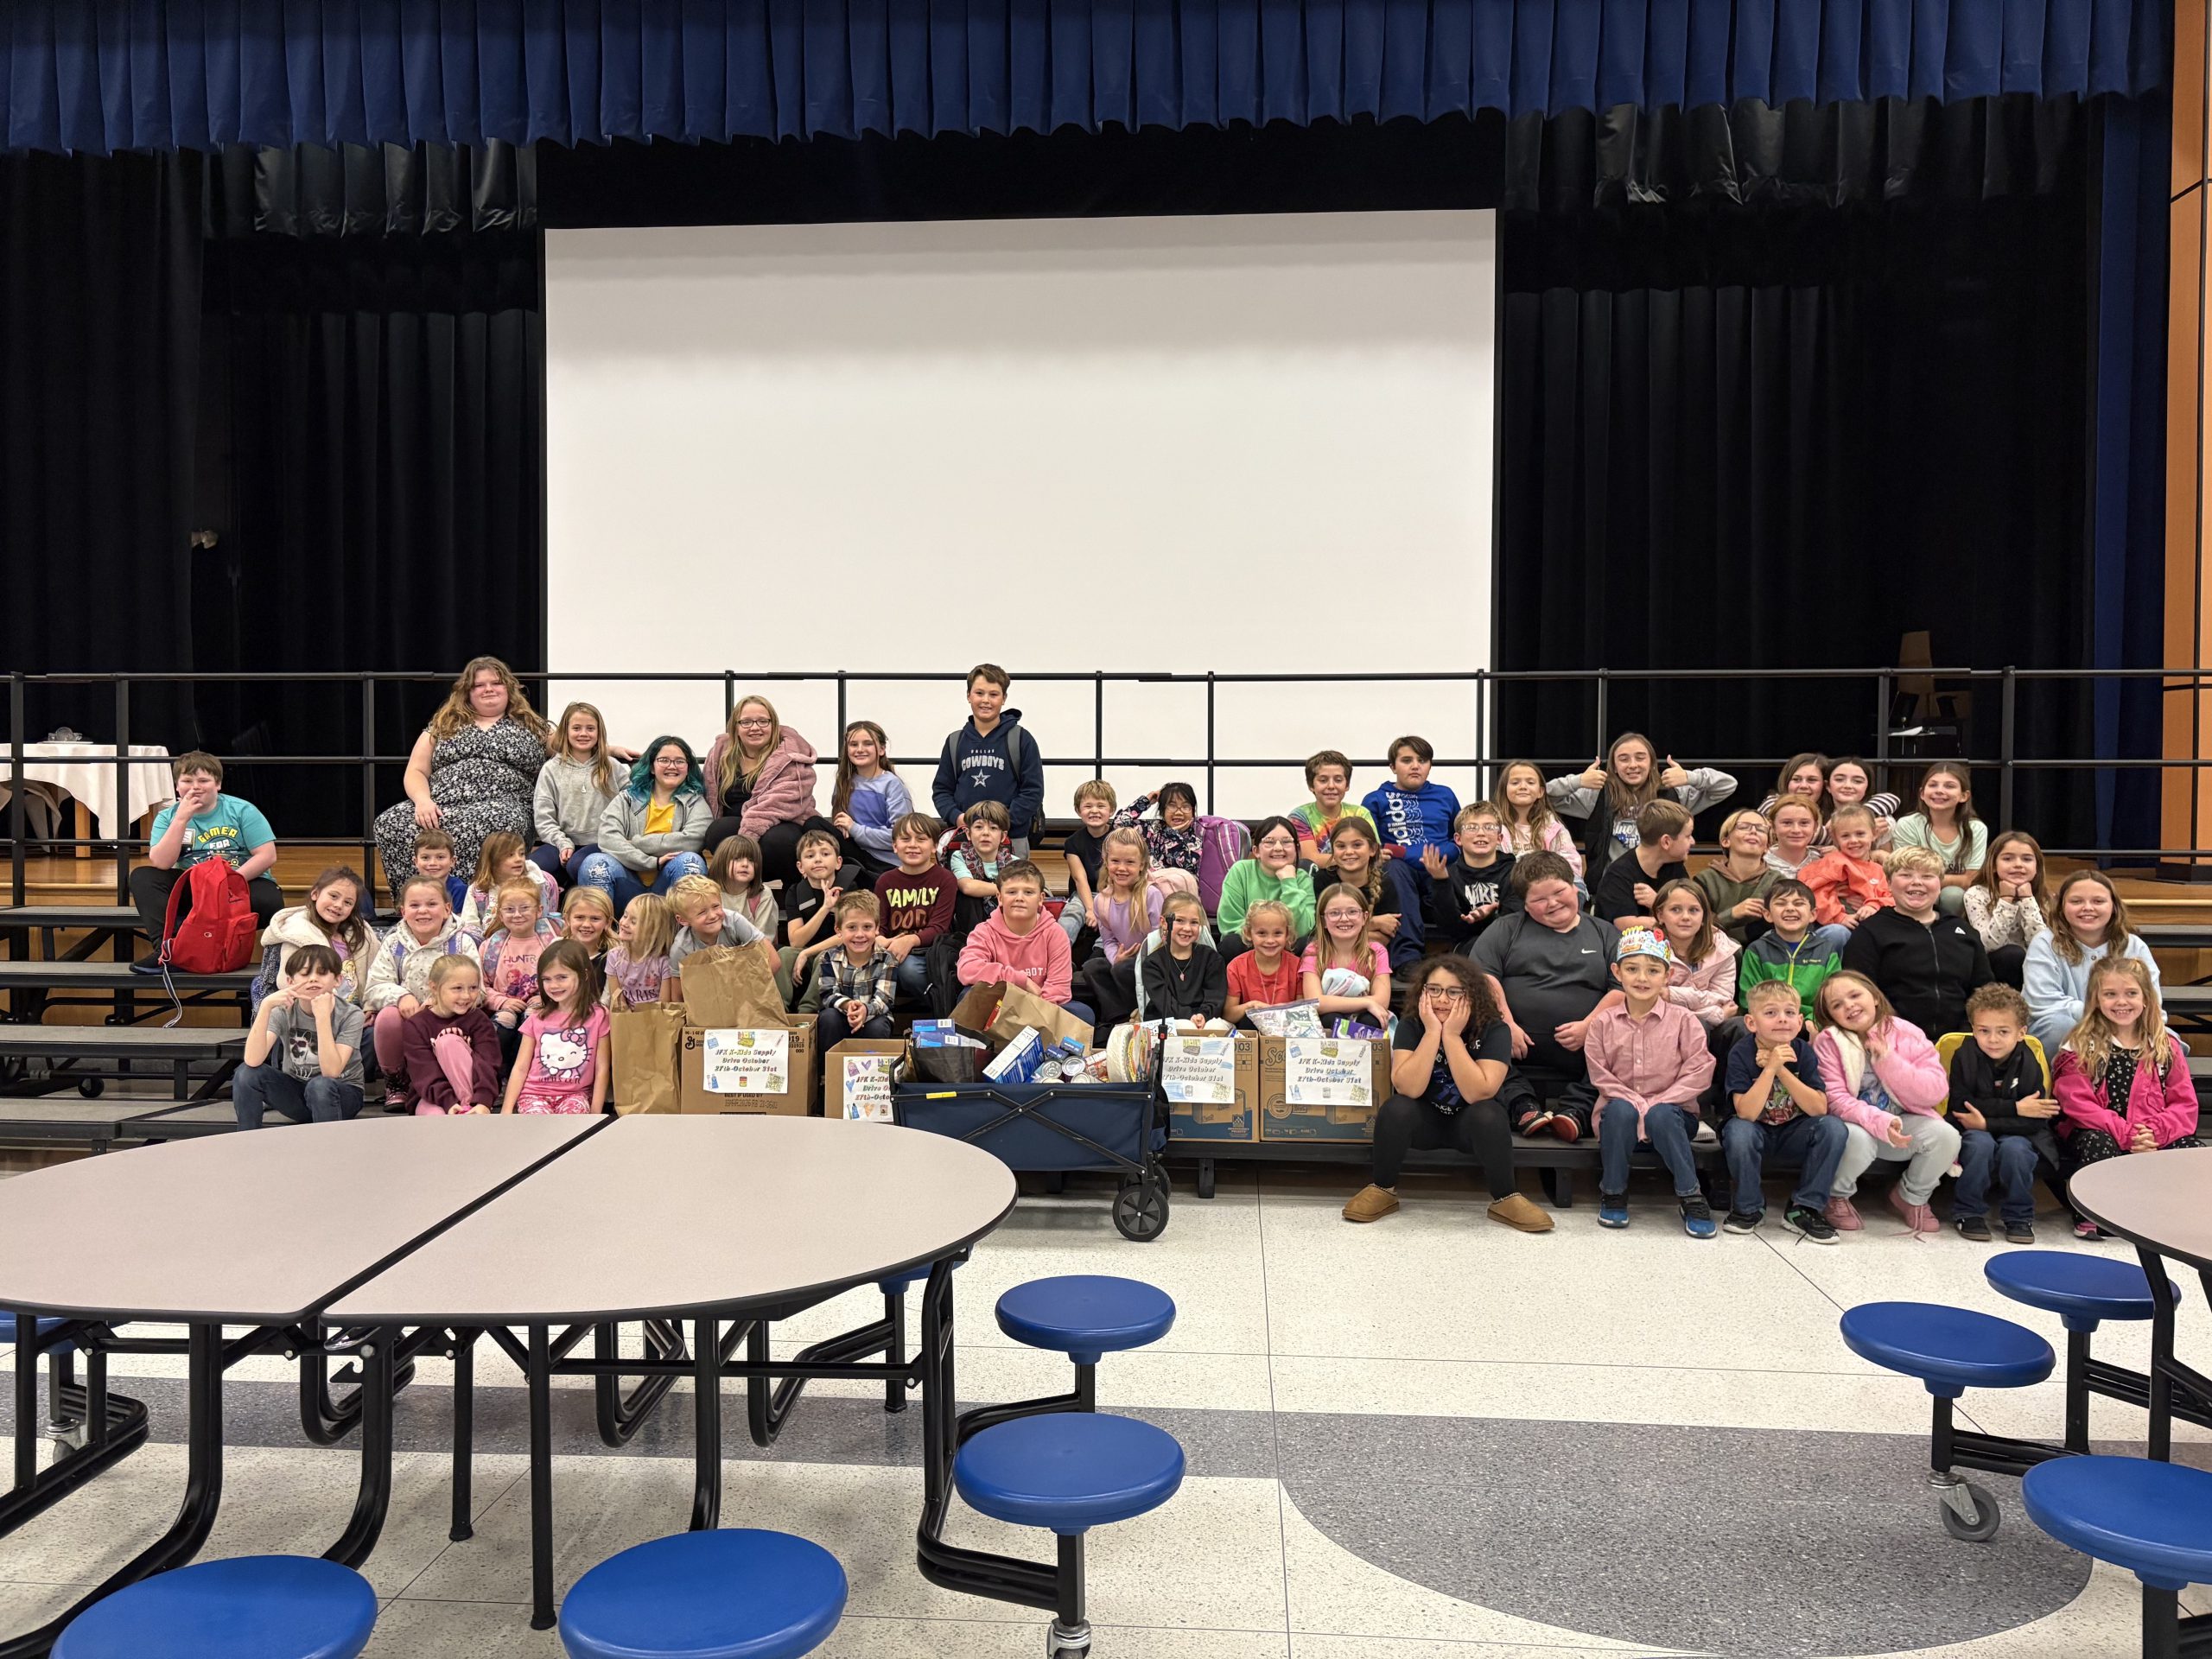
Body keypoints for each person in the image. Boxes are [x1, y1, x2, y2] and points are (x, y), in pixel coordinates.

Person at [1341, 957, 1551, 1233]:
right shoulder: (1413, 1024)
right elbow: (1407, 1086)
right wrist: (1432, 1034)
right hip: (1424, 1121)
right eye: (1434, 989)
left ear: (1471, 994)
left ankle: (1506, 1197)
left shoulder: (1494, 1029)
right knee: (1396, 1108)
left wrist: (1451, 1037)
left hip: (1470, 1125)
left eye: (1454, 992)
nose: (1442, 999)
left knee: (1488, 1113)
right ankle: (1382, 1188)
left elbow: (1480, 1091)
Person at [374, 656, 553, 902]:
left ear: (509, 688)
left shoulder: (532, 725)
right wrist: (423, 801)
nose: (488, 689)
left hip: (502, 803)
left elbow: (573, 744)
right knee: (390, 823)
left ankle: (479, 903)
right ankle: (417, 902)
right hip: (441, 803)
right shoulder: (443, 724)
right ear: (467, 692)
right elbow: (416, 770)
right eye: (479, 685)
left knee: (500, 821)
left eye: (496, 683)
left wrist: (610, 749)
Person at [1468, 852, 1620, 1141]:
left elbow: (1622, 986)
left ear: (1575, 888)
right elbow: (1483, 978)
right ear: (1525, 905)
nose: (1552, 903)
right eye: (1539, 900)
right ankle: (1522, 1106)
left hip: (1590, 1043)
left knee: (1628, 1032)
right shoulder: (1506, 929)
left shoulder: (1604, 933)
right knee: (1468, 1030)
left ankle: (1576, 1111)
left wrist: (1591, 1025)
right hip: (1514, 1043)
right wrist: (1506, 1026)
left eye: (1559, 892)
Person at [2054, 959, 2207, 1227]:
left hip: (2151, 1132)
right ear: (2096, 999)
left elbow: (2184, 1105)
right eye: (2110, 994)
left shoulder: (2165, 1045)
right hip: (2099, 1130)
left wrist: (2155, 1133)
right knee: (2098, 1144)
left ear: (2146, 998)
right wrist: (2126, 1134)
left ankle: (2171, 1218)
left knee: (2192, 1150)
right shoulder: (2079, 1043)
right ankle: (2095, 1217)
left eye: (2131, 993)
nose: (2121, 1002)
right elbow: (2077, 1103)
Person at [1585, 930, 1717, 1236]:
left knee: (1660, 1115)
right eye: (1632, 969)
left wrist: (1657, 1102)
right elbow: (1600, 1075)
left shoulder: (1685, 1020)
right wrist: (1638, 1104)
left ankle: (1690, 1195)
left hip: (1674, 1114)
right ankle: (1614, 1191)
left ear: (1667, 976)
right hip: (1621, 1112)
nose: (1642, 978)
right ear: (1617, 973)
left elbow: (1700, 1069)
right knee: (1620, 1112)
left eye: (1653, 970)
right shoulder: (1602, 1024)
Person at [1811, 969, 1957, 1235]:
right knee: (1857, 1138)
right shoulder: (1829, 1041)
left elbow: (1935, 1091)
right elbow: (1836, 1101)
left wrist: (1889, 1061)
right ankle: (1836, 1196)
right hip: (1856, 1126)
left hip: (1900, 1127)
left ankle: (1911, 1196)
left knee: (1946, 1135)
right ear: (1831, 1016)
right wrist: (1880, 1121)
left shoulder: (1906, 1031)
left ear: (1875, 998)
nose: (1849, 1006)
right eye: (1837, 1005)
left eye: (1855, 995)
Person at [130, 751, 284, 969]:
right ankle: (168, 949)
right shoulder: (167, 817)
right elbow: (162, 863)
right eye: (187, 781)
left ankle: (200, 935)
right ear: (177, 786)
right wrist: (182, 819)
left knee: (271, 901)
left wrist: (226, 882)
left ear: (218, 784)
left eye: (203, 780)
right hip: (195, 884)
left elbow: (267, 855)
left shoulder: (242, 811)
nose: (196, 787)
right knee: (142, 877)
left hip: (238, 883)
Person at [1719, 980, 1847, 1242]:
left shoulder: (1805, 1053)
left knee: (1834, 1128)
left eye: (1789, 1013)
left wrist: (1781, 1069)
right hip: (1757, 1132)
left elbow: (1818, 1108)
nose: (1782, 1020)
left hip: (1793, 1133)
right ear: (1751, 1023)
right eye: (1770, 1013)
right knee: (1738, 1131)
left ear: (1800, 1021)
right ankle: (1749, 1207)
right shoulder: (1741, 1053)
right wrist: (1768, 1070)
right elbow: (1746, 1113)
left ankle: (1805, 1208)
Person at [1841, 848, 1993, 1039]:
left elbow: (1984, 989)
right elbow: (1860, 991)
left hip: (1961, 1040)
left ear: (1940, 884)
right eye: (1905, 875)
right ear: (1888, 882)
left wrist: (1966, 1033)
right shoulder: (1871, 931)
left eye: (1927, 876)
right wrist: (1897, 1030)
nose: (1917, 882)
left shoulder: (1963, 931)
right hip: (1893, 1039)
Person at [1949, 983, 2059, 1244]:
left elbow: (2034, 1120)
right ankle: (1969, 1212)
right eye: (1983, 1031)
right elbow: (1962, 1105)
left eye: (2003, 1031)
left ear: (2021, 1033)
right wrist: (2015, 1108)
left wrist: (1987, 1121)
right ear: (1973, 1029)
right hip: (1974, 1127)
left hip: (2018, 1131)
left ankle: (2019, 1216)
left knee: (2017, 1151)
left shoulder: (2030, 1062)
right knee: (1979, 1145)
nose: (1993, 1039)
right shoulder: (1963, 1056)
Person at [1547, 733, 1735, 880]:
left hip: (1663, 884)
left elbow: (1728, 785)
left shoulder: (1673, 793)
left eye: (1640, 757)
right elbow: (1543, 796)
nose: (1633, 765)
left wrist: (1690, 777)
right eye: (1624, 759)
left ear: (1652, 762)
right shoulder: (1599, 795)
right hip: (1613, 883)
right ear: (1613, 765)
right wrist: (1577, 781)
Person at [363, 876, 479, 1111]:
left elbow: (479, 990)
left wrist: (440, 1006)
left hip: (451, 1020)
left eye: (431, 904)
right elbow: (375, 986)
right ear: (403, 911)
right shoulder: (394, 943)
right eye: (415, 906)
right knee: (387, 1017)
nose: (423, 911)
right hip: (410, 1019)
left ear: (447, 909)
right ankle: (397, 1082)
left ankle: (458, 1087)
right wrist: (401, 996)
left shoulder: (462, 942)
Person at [702, 696, 836, 884]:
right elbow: (703, 789)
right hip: (737, 824)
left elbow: (780, 803)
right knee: (719, 831)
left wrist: (745, 842)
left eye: (763, 721)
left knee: (780, 840)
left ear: (774, 725)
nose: (755, 728)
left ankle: (794, 896)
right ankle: (740, 890)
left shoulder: (791, 755)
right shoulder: (720, 754)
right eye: (746, 722)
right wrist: (649, 761)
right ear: (736, 727)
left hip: (783, 821)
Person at [2023, 869, 2161, 1053]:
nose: (2087, 908)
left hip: (2124, 1023)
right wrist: (2100, 1013)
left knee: (2169, 1041)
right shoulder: (2045, 943)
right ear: (2061, 906)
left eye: (2098, 901)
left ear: (2114, 906)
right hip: (2064, 1029)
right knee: (2059, 1025)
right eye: (2076, 901)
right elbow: (2041, 1001)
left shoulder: (2134, 946)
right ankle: (2060, 1081)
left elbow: (2151, 999)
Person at [232, 945, 365, 1129]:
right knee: (246, 1074)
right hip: (298, 1091)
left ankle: (329, 1150)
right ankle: (247, 1141)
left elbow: (331, 1072)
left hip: (341, 1094)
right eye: (304, 973)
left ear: (338, 980)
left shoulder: (351, 1015)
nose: (313, 979)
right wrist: (265, 1006)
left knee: (320, 1086)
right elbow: (253, 1060)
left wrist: (323, 1018)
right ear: (290, 981)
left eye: (322, 973)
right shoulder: (283, 1010)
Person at [955, 861, 1096, 1025]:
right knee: (968, 996)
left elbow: (1059, 990)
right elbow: (967, 969)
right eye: (1012, 892)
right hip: (999, 1007)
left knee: (1084, 1014)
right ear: (1000, 898)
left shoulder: (1055, 933)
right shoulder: (985, 931)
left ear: (1041, 899)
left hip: (1042, 1007)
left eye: (1029, 892)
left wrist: (1030, 1010)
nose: (1020, 898)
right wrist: (1022, 981)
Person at [583, 737, 713, 912]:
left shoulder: (695, 803)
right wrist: (653, 862)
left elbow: (691, 841)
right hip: (628, 883)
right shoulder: (626, 799)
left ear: (688, 768)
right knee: (595, 862)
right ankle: (603, 936)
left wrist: (637, 842)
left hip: (668, 888)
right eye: (664, 760)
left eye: (679, 761)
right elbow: (608, 838)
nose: (672, 766)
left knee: (690, 861)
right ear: (652, 767)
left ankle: (683, 935)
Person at [931, 664, 1046, 855]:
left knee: (1011, 885)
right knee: (966, 885)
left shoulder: (1021, 739)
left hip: (1011, 840)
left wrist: (1001, 824)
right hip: (965, 839)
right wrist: (958, 817)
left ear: (1004, 699)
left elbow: (1033, 791)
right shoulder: (955, 741)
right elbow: (942, 790)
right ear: (968, 695)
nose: (986, 700)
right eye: (979, 693)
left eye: (993, 694)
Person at [499, 940, 610, 1116]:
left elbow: (602, 1067)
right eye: (547, 979)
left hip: (576, 1094)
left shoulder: (599, 1016)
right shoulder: (537, 1018)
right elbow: (520, 1067)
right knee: (538, 1125)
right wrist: (506, 1111)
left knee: (572, 1123)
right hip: (534, 1094)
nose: (553, 985)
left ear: (585, 975)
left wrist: (596, 1113)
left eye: (562, 977)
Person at [253, 867, 376, 1009]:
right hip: (311, 1015)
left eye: (347, 903)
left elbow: (376, 979)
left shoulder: (363, 935)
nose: (338, 905)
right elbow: (287, 985)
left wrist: (371, 1009)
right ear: (315, 894)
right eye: (334, 896)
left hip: (355, 1015)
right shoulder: (296, 933)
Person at [1077, 827, 1165, 1025]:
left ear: (1142, 865)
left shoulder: (1151, 895)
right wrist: (1115, 957)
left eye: (1130, 863)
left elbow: (1159, 938)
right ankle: (1120, 1016)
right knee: (1092, 967)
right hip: (1124, 959)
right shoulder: (1101, 900)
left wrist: (1132, 960)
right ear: (1106, 862)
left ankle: (1142, 1013)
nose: (1122, 868)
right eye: (1115, 861)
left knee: (1123, 969)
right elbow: (1108, 940)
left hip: (1152, 960)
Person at [531, 701, 620, 889]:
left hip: (602, 843)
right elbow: (544, 818)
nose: (583, 734)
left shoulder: (612, 767)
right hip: (560, 843)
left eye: (590, 728)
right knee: (532, 869)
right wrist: (563, 843)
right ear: (565, 731)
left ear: (599, 732)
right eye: (576, 728)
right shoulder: (551, 770)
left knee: (579, 865)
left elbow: (631, 806)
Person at [398, 955, 500, 1116]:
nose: (467, 996)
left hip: (476, 1096)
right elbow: (424, 1072)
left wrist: (482, 1101)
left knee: (449, 1042)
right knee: (437, 1120)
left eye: (473, 988)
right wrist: (449, 1103)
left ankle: (469, 1110)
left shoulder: (479, 1020)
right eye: (457, 988)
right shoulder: (416, 1025)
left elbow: (488, 1064)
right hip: (433, 1097)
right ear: (434, 987)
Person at [1736, 880, 1847, 1020]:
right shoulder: (1757, 950)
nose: (1790, 908)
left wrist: (1808, 1021)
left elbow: (1832, 998)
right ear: (1767, 914)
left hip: (1812, 1024)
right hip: (1768, 1024)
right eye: (1781, 903)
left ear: (1813, 914)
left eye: (1799, 903)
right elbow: (1748, 999)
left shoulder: (1826, 951)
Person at [874, 814, 956, 1007]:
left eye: (921, 839)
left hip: (930, 952)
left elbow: (939, 927)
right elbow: (878, 926)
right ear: (895, 846)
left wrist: (910, 940)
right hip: (892, 948)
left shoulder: (946, 879)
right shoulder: (885, 881)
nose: (913, 845)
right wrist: (880, 939)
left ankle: (944, 1006)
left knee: (908, 969)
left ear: (934, 846)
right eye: (905, 839)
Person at [1889, 762, 1986, 916]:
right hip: (1915, 891)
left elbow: (1971, 879)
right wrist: (1951, 879)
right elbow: (1908, 875)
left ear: (1964, 796)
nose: (1939, 791)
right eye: (1933, 785)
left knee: (1953, 895)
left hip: (1954, 899)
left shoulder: (1976, 829)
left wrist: (1928, 878)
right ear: (1922, 793)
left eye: (1949, 786)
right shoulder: (1908, 824)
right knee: (1922, 891)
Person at [1421, 803, 1519, 952]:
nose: (1481, 833)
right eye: (1472, 828)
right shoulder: (1448, 875)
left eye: (1489, 827)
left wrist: (1492, 916)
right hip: (1468, 948)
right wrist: (1441, 882)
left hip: (1510, 945)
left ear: (1499, 838)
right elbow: (1451, 929)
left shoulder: (1515, 872)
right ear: (1458, 839)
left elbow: (1516, 919)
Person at [478, 879, 562, 1052]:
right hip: (503, 1007)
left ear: (539, 911)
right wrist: (501, 1001)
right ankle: (500, 1073)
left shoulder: (553, 941)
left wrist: (547, 998)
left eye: (524, 908)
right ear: (500, 914)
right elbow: (480, 985)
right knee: (504, 1021)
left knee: (533, 1017)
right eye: (509, 909)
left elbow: (565, 977)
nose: (517, 914)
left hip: (542, 1006)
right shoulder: (490, 947)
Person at [1214, 817, 1315, 958]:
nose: (1279, 848)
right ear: (1256, 851)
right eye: (1269, 842)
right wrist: (1263, 937)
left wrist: (1289, 883)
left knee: (1305, 945)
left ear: (1297, 849)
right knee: (1231, 944)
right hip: (1248, 944)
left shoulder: (1302, 878)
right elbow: (1229, 923)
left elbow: (1303, 929)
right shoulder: (1241, 871)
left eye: (1286, 842)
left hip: (1287, 945)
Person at [1963, 830, 2050, 989]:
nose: (2018, 864)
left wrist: (2027, 900)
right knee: (2012, 954)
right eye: (2008, 858)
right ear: (1994, 865)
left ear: (2036, 866)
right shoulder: (1977, 894)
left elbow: (2041, 945)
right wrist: (2006, 900)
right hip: (1991, 968)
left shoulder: (2044, 898)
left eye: (2027, 859)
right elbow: (1989, 945)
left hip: (2031, 969)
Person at [814, 893, 899, 1052]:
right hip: (841, 1014)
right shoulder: (828, 957)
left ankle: (873, 1075)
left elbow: (885, 999)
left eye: (867, 927)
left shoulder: (887, 960)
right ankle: (826, 1073)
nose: (859, 934)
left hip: (873, 1015)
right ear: (838, 930)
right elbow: (827, 994)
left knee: (878, 1027)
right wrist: (848, 1005)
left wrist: (865, 1010)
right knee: (828, 1019)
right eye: (852, 927)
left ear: (877, 929)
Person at [1653, 879, 1738, 1037]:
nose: (1686, 917)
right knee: (1698, 1024)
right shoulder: (1647, 949)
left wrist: (1672, 994)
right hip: (1657, 1025)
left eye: (1693, 910)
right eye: (1676, 910)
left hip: (1710, 1028)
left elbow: (1723, 1001)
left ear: (1704, 917)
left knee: (1737, 1026)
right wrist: (1716, 1015)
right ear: (1660, 915)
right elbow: (1651, 1002)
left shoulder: (1723, 951)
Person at [1588, 799, 1692, 929]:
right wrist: (1669, 911)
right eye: (1688, 836)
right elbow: (1626, 926)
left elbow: (1692, 914)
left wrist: (1658, 902)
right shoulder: (1618, 876)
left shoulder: (1674, 865)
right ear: (1666, 842)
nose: (1693, 842)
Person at [830, 720, 911, 881]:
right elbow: (842, 829)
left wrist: (854, 829)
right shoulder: (844, 782)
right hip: (854, 855)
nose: (860, 750)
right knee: (814, 824)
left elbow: (902, 837)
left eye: (867, 744)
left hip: (885, 862)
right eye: (853, 745)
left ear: (881, 749)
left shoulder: (892, 784)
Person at [1362, 735, 1460, 867]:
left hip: (1441, 865)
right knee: (1393, 867)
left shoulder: (1445, 794)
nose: (1415, 766)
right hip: (1398, 869)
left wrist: (1451, 851)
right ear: (1393, 767)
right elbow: (1369, 846)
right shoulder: (1375, 800)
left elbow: (1459, 837)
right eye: (1407, 761)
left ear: (1430, 766)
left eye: (1422, 761)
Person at [1302, 885, 1392, 1028]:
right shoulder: (1314, 951)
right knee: (1332, 1018)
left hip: (1364, 1018)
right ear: (1323, 920)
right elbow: (1314, 1001)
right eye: (1334, 913)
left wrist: (1371, 1004)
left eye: (1352, 912)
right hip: (1328, 1023)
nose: (1344, 919)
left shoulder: (1376, 952)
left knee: (1373, 1019)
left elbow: (1382, 1001)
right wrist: (1367, 1002)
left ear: (1364, 917)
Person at [1142, 893, 1229, 1028]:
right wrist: (1189, 1017)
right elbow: (1164, 1002)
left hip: (1204, 1019)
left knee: (1216, 1026)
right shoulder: (1153, 963)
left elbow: (1215, 997)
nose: (1187, 928)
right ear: (1164, 922)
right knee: (1185, 1026)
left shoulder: (1211, 959)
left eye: (1194, 922)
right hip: (1167, 1019)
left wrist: (1203, 1015)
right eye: (1180, 920)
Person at [1694, 810, 1777, 948]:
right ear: (1726, 841)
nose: (1753, 831)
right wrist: (1732, 914)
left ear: (1767, 847)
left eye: (1761, 829)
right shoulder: (1705, 880)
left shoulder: (1777, 881)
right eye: (1744, 827)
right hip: (1714, 951)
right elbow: (1696, 926)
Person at [456, 830, 560, 940]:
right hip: (490, 948)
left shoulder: (537, 883)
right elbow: (470, 926)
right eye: (510, 855)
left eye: (521, 853)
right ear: (493, 859)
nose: (518, 859)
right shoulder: (477, 890)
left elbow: (543, 921)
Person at [1802, 804, 1892, 930]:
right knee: (1838, 932)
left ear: (1874, 834)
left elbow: (1893, 898)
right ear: (1835, 838)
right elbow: (1814, 892)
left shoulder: (1879, 869)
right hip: (1838, 926)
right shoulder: (1834, 862)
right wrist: (1838, 916)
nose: (1853, 840)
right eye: (1845, 836)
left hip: (1872, 927)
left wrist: (1873, 905)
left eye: (1860, 834)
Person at [1492, 759, 1584, 881]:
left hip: (1548, 887)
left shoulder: (1553, 826)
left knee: (1578, 885)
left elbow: (1572, 864)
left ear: (1541, 792)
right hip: (1509, 887)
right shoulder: (1492, 826)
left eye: (1530, 783)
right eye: (1515, 783)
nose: (1523, 787)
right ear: (1504, 790)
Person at [665, 873, 776, 970]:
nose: (713, 915)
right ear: (683, 920)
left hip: (745, 981)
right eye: (702, 912)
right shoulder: (682, 947)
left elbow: (774, 960)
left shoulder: (734, 921)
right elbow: (678, 993)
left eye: (716, 906)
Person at [1291, 750, 1376, 870]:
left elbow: (1374, 854)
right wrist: (1354, 859)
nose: (1331, 786)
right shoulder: (1300, 817)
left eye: (1338, 780)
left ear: (1347, 785)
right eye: (1323, 780)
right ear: (1311, 785)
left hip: (1357, 879)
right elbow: (1310, 859)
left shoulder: (1360, 813)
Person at [1058, 781, 1117, 948]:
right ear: (1078, 810)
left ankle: (1102, 952)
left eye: (1101, 806)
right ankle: (1057, 952)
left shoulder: (1118, 837)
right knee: (1072, 913)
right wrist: (1091, 910)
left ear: (1111, 810)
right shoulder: (1073, 842)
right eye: (1088, 806)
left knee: (1114, 916)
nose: (1094, 811)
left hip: (1114, 892)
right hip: (1084, 893)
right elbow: (1079, 879)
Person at [1224, 901, 1302, 1026]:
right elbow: (1228, 1014)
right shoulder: (1236, 967)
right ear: (1248, 933)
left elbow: (1303, 1010)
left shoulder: (1297, 966)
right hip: (1252, 1032)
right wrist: (1252, 1006)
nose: (1270, 940)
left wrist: (1281, 1009)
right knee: (1247, 1020)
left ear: (1287, 934)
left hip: (1288, 1029)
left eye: (1277, 933)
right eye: (1262, 933)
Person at [601, 893, 677, 1008]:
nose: (624, 923)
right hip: (626, 1019)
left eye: (634, 922)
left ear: (653, 931)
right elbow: (618, 1002)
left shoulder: (664, 962)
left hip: (656, 1019)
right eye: (625, 916)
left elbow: (663, 1006)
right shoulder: (614, 956)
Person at [1114, 783, 1204, 874]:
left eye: (1185, 807)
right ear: (1162, 811)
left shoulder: (1196, 839)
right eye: (1172, 806)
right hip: (1144, 886)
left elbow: (1184, 868)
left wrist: (1172, 835)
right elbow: (1118, 824)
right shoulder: (1152, 829)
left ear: (1192, 811)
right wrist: (1144, 802)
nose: (1179, 812)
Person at [708, 833, 781, 942]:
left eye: (751, 860)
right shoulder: (709, 894)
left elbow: (762, 940)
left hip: (755, 953)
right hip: (717, 953)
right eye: (737, 858)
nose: (745, 864)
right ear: (722, 861)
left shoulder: (763, 894)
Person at [1820, 758, 1900, 848]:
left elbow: (1885, 857)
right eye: (1839, 779)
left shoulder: (1879, 817)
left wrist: (1861, 816)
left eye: (1857, 781)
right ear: (1827, 786)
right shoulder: (1815, 813)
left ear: (1867, 787)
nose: (1848, 786)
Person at [559, 886, 615, 998]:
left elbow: (608, 998)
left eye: (595, 919)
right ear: (567, 919)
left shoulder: (614, 956)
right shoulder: (557, 949)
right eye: (579, 917)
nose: (586, 925)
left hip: (600, 1012)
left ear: (608, 923)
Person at [1763, 797, 1823, 880]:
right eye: (1787, 823)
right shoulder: (1760, 865)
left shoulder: (1823, 862)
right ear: (1773, 826)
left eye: (1804, 823)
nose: (1796, 830)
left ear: (1815, 827)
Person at [410, 829, 468, 913]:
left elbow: (457, 922)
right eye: (425, 858)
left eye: (440, 857)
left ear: (452, 861)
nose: (433, 863)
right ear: (416, 862)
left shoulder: (459, 889)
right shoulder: (412, 888)